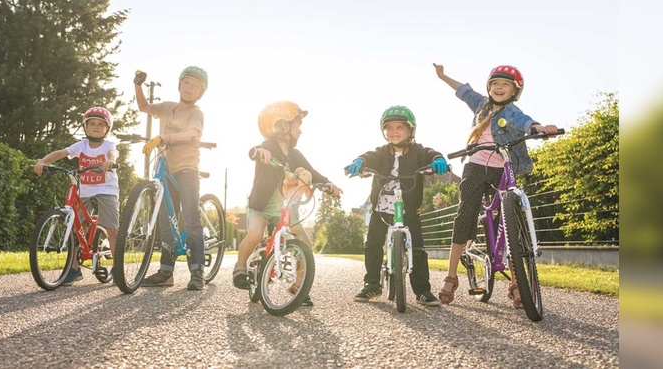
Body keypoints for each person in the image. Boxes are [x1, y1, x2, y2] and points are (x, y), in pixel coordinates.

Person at [432, 63, 559, 308]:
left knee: (510, 220)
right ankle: (451, 277)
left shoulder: (513, 113)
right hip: (477, 165)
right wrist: (443, 76)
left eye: (505, 85)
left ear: (515, 91)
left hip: (504, 167)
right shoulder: (481, 104)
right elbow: (463, 90)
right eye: (495, 84)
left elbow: (527, 124)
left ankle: (516, 283)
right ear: (489, 87)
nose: (499, 88)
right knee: (466, 213)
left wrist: (541, 129)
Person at [232, 101, 343, 307]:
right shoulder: (268, 147)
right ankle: (240, 267)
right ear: (283, 126)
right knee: (255, 234)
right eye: (297, 125)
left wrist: (327, 183)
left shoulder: (295, 155)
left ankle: (299, 286)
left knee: (305, 243)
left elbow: (312, 171)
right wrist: (259, 153)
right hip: (262, 205)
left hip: (286, 207)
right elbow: (256, 149)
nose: (300, 131)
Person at [345, 105, 448, 306]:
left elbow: (430, 153)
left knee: (417, 247)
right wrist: (359, 161)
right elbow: (369, 156)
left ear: (410, 130)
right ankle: (372, 284)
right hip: (382, 206)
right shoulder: (382, 152)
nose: (394, 131)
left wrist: (437, 159)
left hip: (409, 207)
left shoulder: (417, 150)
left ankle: (422, 291)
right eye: (389, 127)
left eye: (399, 127)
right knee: (373, 243)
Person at [134, 66, 209, 291]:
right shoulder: (167, 107)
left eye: (195, 86)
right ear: (179, 84)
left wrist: (164, 137)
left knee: (191, 218)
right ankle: (166, 272)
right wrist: (137, 85)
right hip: (165, 168)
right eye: (186, 83)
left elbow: (193, 133)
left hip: (187, 169)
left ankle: (197, 272)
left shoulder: (196, 112)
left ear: (200, 93)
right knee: (166, 220)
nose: (189, 88)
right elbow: (144, 107)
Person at [34, 107, 119, 286]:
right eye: (92, 124)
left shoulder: (108, 146)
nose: (96, 127)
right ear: (85, 127)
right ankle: (73, 269)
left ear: (107, 128)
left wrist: (110, 161)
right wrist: (43, 161)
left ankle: (117, 267)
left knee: (111, 228)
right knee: (75, 229)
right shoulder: (81, 145)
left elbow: (113, 153)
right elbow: (61, 153)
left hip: (106, 189)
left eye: (100, 124)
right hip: (86, 190)